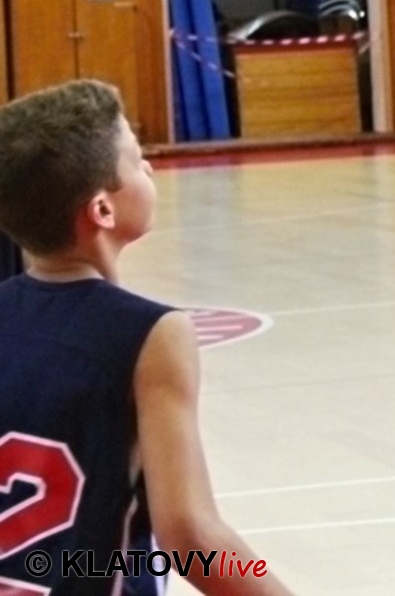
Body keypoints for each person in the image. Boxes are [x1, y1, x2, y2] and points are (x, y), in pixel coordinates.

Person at [0, 79, 292, 595]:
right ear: (102, 210)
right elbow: (190, 537)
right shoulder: (151, 335)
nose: (151, 169)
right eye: (137, 160)